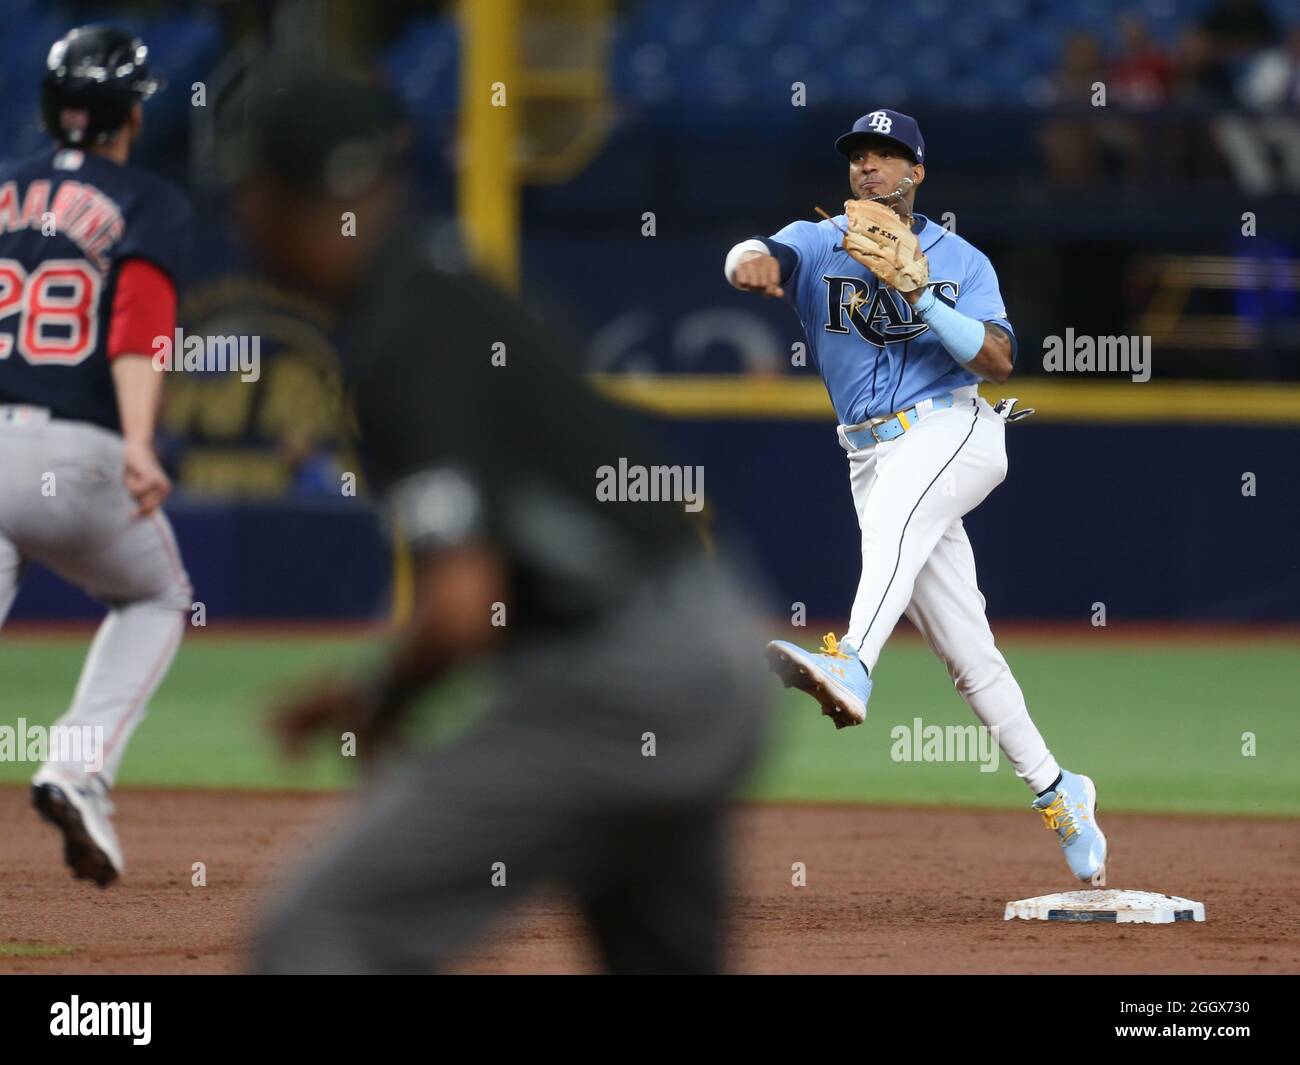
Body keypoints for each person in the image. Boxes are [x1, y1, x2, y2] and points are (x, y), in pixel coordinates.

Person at [225, 68, 768, 974]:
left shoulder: (401, 337)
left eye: (250, 193)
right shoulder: (455, 288)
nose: (243, 218)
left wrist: (376, 705)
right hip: (716, 652)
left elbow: (460, 607)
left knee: (312, 930)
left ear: (282, 201)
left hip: (622, 685)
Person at [725, 109, 1107, 886]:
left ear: (917, 173)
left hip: (955, 429)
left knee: (899, 516)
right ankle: (1059, 789)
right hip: (870, 456)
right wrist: (749, 263)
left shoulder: (961, 259)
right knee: (969, 656)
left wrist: (925, 296)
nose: (870, 167)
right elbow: (750, 252)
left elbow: (999, 360)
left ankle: (855, 661)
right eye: (860, 156)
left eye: (887, 156)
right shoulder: (817, 239)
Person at [0, 25, 193, 887]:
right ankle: (77, 765)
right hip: (76, 452)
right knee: (158, 594)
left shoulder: (3, 188)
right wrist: (142, 443)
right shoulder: (148, 200)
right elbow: (138, 329)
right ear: (132, 115)